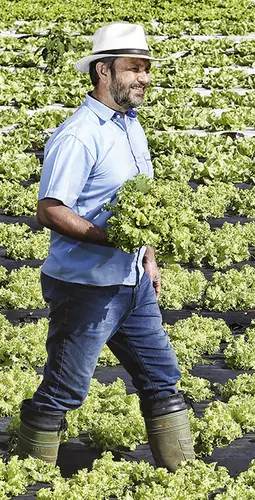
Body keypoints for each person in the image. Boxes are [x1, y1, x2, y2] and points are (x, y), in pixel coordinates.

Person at [15, 22, 195, 471]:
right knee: (65, 391)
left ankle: (183, 477)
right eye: (133, 68)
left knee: (162, 380)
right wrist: (113, 239)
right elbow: (50, 209)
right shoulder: (79, 135)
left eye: (146, 69)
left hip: (132, 284)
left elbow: (141, 206)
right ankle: (27, 475)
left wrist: (146, 256)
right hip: (86, 287)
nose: (144, 78)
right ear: (103, 71)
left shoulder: (130, 127)